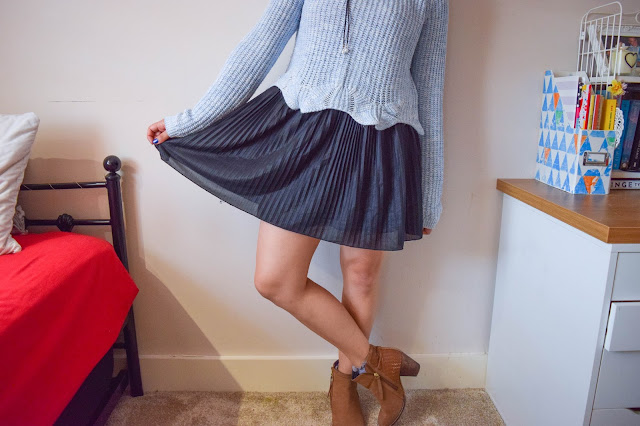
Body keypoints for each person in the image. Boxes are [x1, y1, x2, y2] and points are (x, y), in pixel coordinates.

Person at [146, 0, 448, 424]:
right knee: (275, 279)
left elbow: (430, 88)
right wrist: (190, 120)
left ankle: (345, 382)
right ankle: (380, 364)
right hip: (304, 130)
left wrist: (429, 195)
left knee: (361, 273)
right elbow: (261, 45)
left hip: (381, 140)